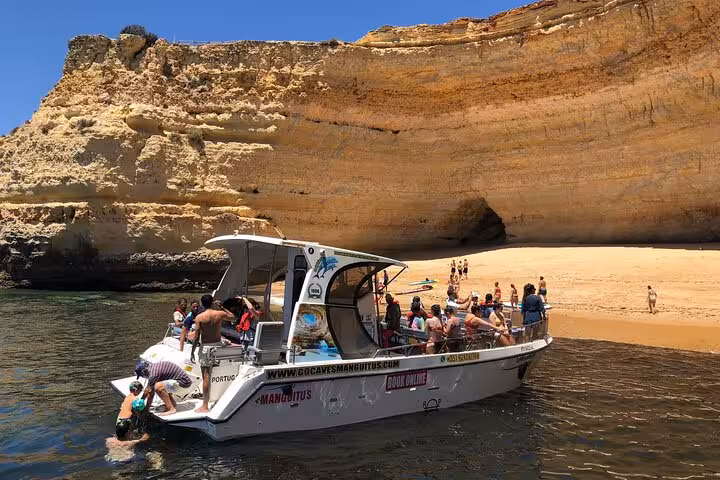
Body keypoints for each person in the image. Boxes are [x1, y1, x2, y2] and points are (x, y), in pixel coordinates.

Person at [191, 294, 236, 413]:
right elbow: (233, 317)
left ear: (202, 304)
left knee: (206, 377)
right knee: (226, 342)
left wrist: (192, 351)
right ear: (212, 303)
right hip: (218, 346)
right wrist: (221, 306)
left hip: (207, 348)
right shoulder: (219, 314)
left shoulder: (200, 318)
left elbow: (196, 337)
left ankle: (205, 406)